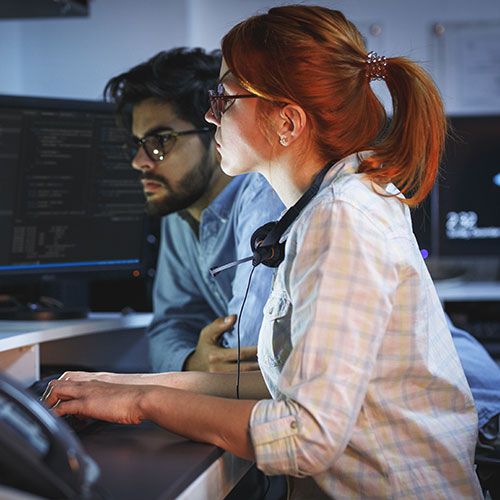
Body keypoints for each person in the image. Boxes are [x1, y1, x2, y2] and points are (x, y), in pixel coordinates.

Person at [44, 6, 486, 498]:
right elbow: (282, 387)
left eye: (224, 99)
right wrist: (114, 387)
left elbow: (305, 436)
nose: (211, 114)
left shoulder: (342, 218)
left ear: (287, 122)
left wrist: (143, 403)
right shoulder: (328, 206)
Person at [104, 47, 284, 373]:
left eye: (160, 141)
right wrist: (190, 362)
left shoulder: (265, 196)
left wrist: (207, 368)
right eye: (137, 143)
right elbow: (170, 324)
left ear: (217, 132)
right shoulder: (181, 205)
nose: (139, 161)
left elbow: (245, 357)